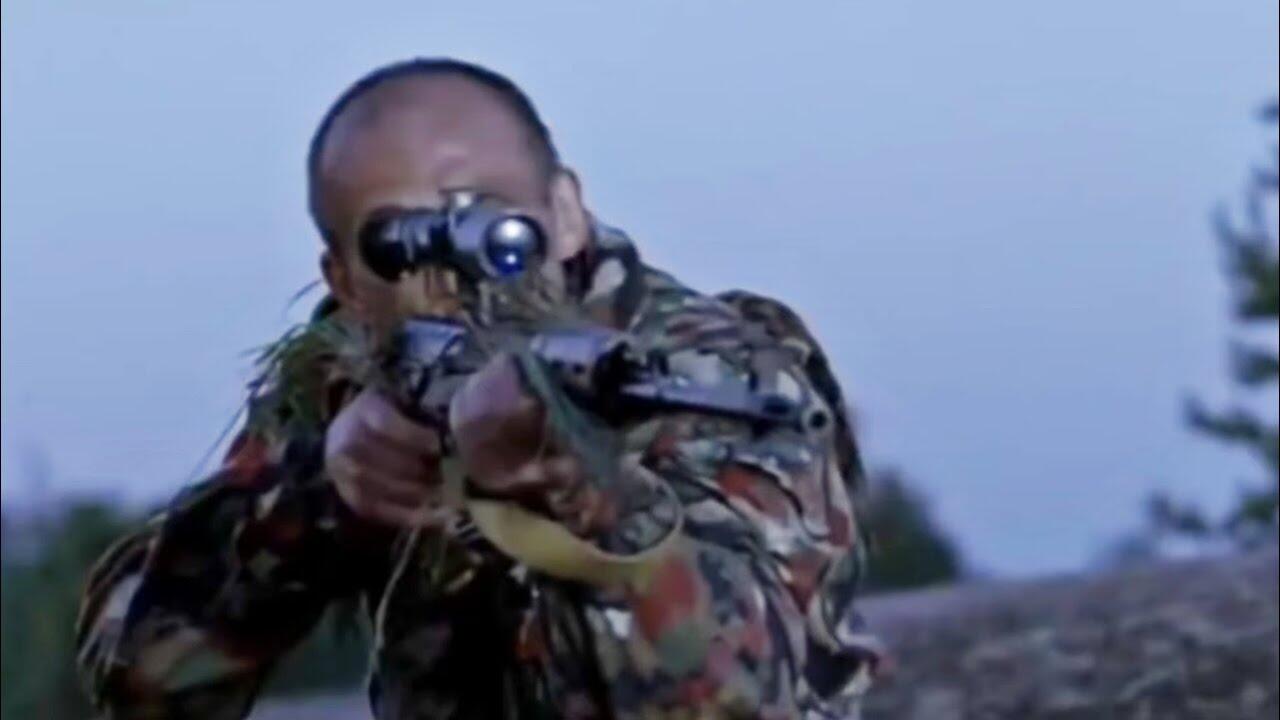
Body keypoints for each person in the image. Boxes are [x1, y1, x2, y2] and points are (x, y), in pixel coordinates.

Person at [76, 58, 880, 720]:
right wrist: (318, 499)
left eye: (494, 222)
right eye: (396, 244)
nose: (452, 278)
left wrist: (582, 498)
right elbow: (142, 683)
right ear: (345, 282)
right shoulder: (351, 381)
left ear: (566, 212)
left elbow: (744, 703)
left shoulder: (704, 375)